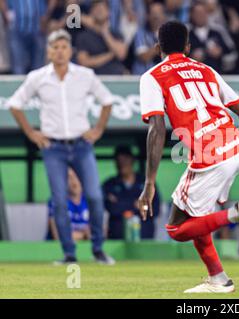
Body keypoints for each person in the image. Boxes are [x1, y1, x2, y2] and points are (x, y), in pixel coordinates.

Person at [137, 21, 239, 293]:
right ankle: (219, 280)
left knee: (176, 228)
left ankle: (236, 213)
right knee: (199, 217)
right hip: (235, 147)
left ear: (157, 47)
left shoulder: (152, 76)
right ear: (188, 47)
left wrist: (149, 182)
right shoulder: (206, 69)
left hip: (210, 157)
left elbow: (157, 129)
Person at [7, 29, 115, 265]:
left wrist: (97, 130)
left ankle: (98, 249)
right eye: (55, 47)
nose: (59, 51)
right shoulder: (38, 77)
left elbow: (107, 101)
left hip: (81, 144)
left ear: (70, 51)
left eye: (63, 47)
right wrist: (31, 133)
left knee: (95, 196)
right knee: (59, 200)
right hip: (53, 147)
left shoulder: (85, 75)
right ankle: (69, 254)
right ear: (48, 51)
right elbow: (15, 104)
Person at [103, 145, 160, 239]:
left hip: (145, 238)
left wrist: (121, 203)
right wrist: (136, 205)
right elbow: (111, 208)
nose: (122, 164)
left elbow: (155, 209)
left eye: (125, 160)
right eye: (118, 161)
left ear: (132, 160)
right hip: (117, 240)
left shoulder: (146, 183)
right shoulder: (109, 184)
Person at [76, 0, 128, 74]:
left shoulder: (116, 34)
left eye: (102, 8)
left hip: (116, 79)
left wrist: (105, 33)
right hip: (94, 79)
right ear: (91, 12)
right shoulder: (83, 36)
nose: (100, 11)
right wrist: (110, 55)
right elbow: (84, 62)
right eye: (96, 8)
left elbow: (121, 54)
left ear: (109, 12)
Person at [188, 1, 233, 73]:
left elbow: (232, 52)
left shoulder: (218, 31)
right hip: (193, 75)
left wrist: (220, 53)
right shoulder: (186, 33)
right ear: (191, 15)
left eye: (202, 13)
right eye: (197, 13)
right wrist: (191, 57)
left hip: (217, 74)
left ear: (207, 14)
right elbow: (178, 56)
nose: (200, 16)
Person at [48, 168, 90, 242]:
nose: (74, 181)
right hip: (57, 250)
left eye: (77, 176)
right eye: (69, 177)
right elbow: (58, 236)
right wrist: (83, 235)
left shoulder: (91, 201)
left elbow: (95, 235)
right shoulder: (56, 201)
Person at [132, 2, 166, 75]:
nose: (156, 16)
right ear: (147, 16)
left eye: (159, 13)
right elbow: (144, 56)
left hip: (163, 77)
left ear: (164, 15)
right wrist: (163, 44)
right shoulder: (140, 33)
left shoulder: (169, 33)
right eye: (153, 13)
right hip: (142, 76)